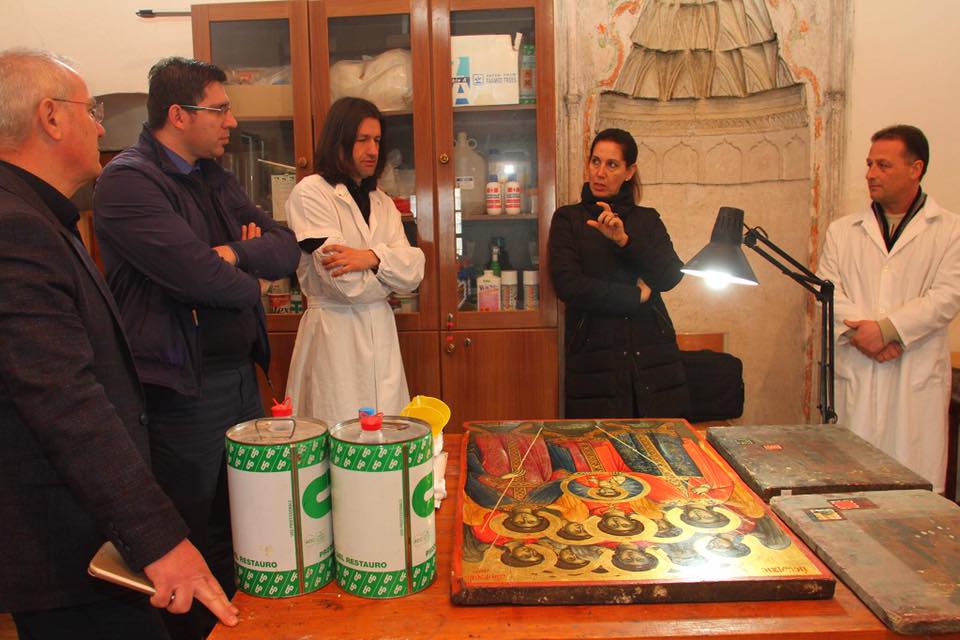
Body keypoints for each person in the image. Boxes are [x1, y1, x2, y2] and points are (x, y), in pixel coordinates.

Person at [0, 48, 238, 640]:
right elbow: (66, 405)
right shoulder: (15, 227)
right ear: (51, 117)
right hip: (65, 551)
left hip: (86, 541)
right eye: (92, 111)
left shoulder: (40, 215)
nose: (101, 127)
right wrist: (160, 539)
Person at [93, 57, 299, 638]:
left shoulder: (214, 176)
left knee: (246, 527)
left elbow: (286, 247)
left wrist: (233, 253)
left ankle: (237, 627)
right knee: (185, 538)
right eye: (220, 109)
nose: (232, 121)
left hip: (238, 377)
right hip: (181, 388)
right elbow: (198, 278)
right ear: (178, 114)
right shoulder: (129, 181)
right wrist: (248, 276)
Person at [817, 124, 960, 494]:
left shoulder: (950, 230)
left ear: (915, 169)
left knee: (912, 496)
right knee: (851, 490)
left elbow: (947, 296)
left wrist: (888, 330)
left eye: (883, 165)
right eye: (869, 164)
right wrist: (863, 334)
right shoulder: (843, 231)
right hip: (858, 369)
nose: (871, 174)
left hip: (914, 376)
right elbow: (827, 292)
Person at [284, 96, 424, 425]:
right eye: (362, 140)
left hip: (381, 333)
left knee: (386, 437)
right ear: (338, 140)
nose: (372, 150)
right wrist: (389, 271)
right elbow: (345, 285)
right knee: (337, 437)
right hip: (335, 338)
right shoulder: (310, 193)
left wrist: (370, 257)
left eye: (377, 140)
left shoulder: (382, 202)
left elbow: (415, 271)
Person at [548, 128, 690, 419]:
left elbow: (671, 275)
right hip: (594, 356)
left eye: (611, 165)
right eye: (595, 162)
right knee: (597, 444)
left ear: (629, 171)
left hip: (653, 355)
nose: (600, 173)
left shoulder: (647, 219)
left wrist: (625, 242)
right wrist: (635, 296)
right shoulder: (568, 219)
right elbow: (568, 285)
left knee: (660, 443)